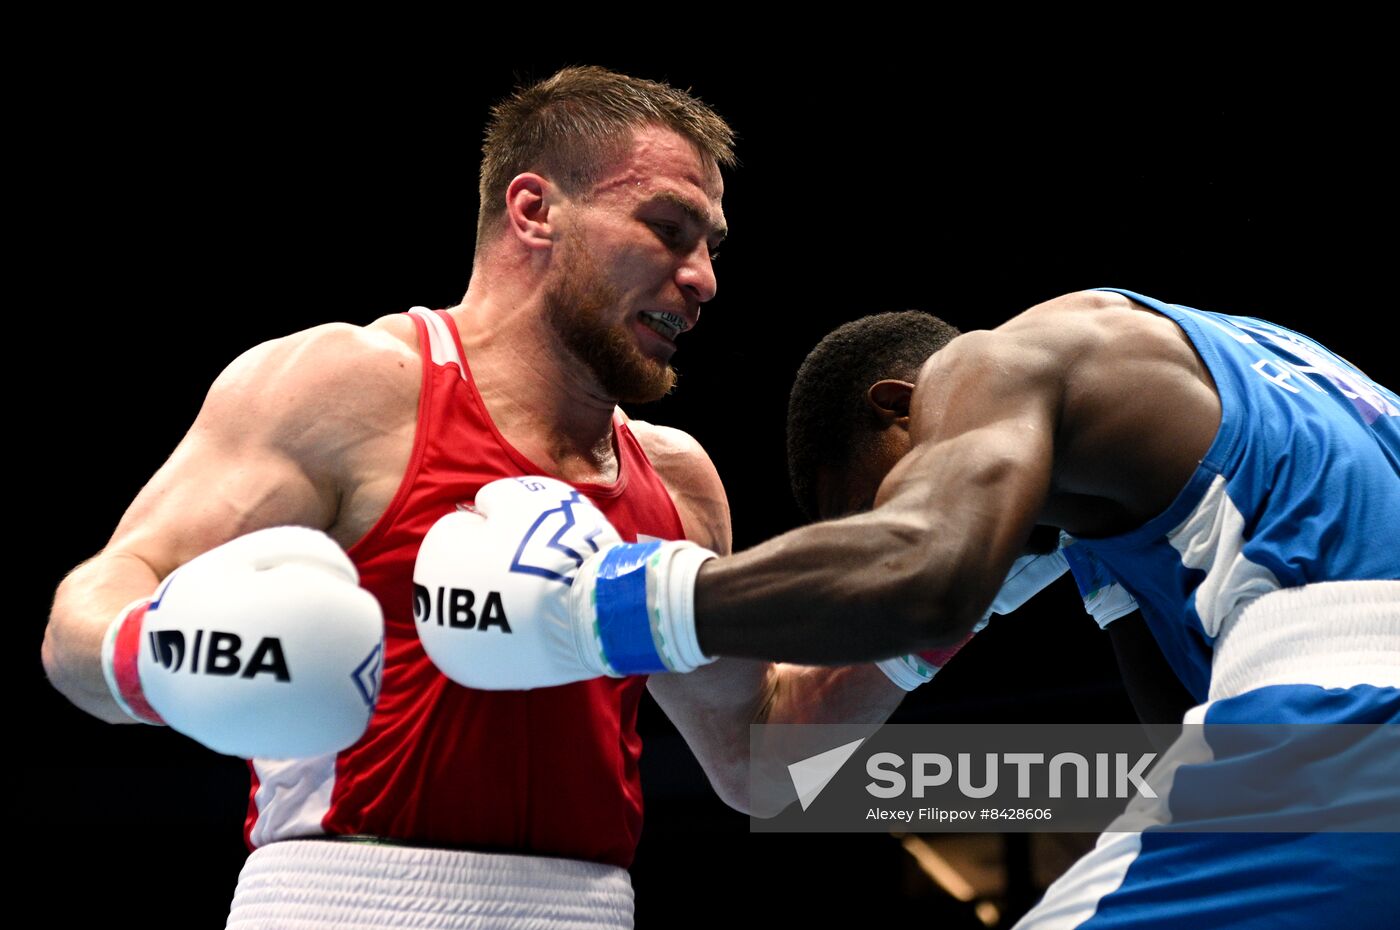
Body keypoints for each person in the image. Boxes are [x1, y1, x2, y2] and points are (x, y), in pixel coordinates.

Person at [41, 66, 918, 929]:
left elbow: (761, 760)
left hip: (590, 910)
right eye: (667, 229)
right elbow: (85, 617)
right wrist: (157, 656)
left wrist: (946, 614)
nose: (703, 279)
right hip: (342, 900)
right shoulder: (351, 388)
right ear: (533, 210)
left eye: (711, 247)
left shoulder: (677, 478)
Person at [451, 287, 1398, 927]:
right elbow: (1182, 748)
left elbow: (919, 574)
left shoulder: (996, 364)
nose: (890, 534)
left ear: (906, 408)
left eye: (886, 503)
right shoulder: (1228, 398)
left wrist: (603, 605)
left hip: (1339, 715)